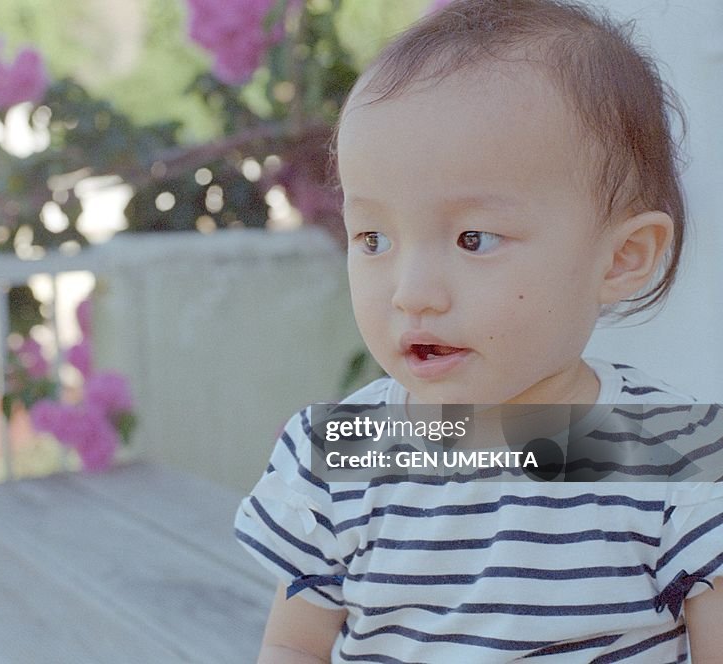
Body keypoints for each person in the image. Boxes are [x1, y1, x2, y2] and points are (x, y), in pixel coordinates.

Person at [233, 1, 723, 661]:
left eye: (473, 238)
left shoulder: (669, 451)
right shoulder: (344, 453)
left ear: (620, 258)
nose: (412, 293)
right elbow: (294, 645)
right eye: (372, 237)